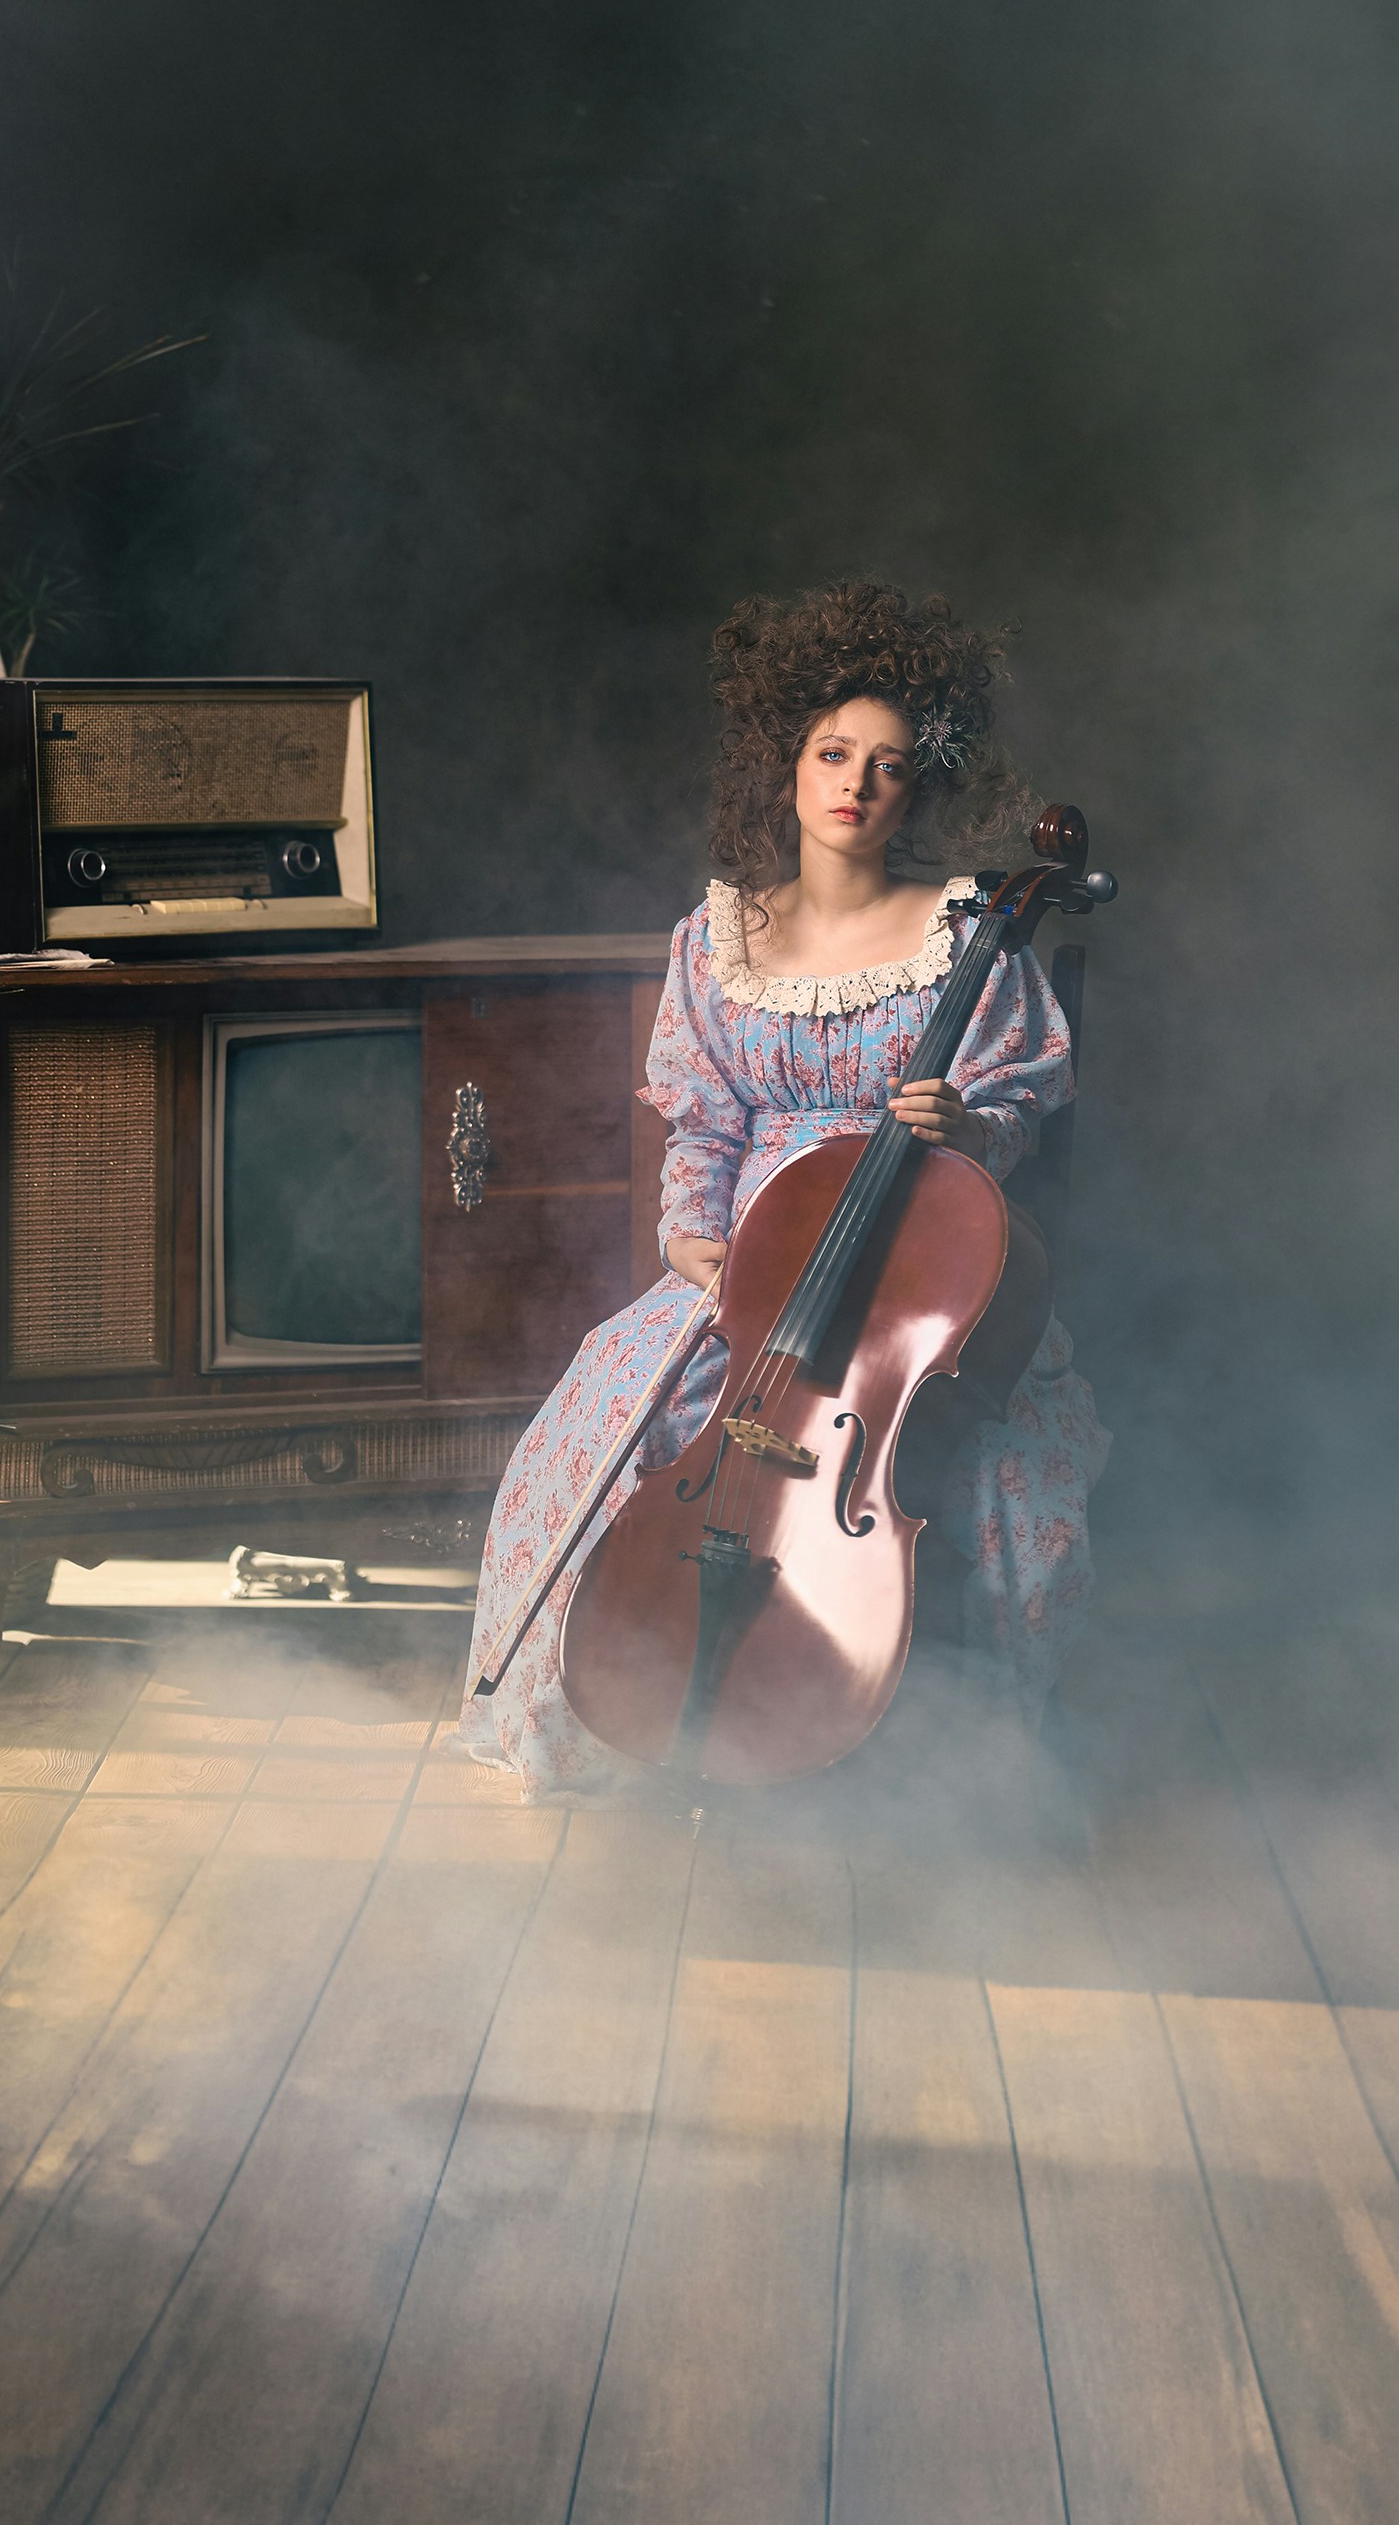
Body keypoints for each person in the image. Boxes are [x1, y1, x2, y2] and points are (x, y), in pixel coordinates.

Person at [458, 580, 1110, 1801]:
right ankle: (635, 1719)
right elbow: (703, 1117)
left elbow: (1016, 1100)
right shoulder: (714, 938)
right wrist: (696, 1240)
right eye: (831, 753)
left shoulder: (972, 932)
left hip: (917, 1286)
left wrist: (968, 1125)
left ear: (920, 790)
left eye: (889, 765)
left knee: (1008, 1491)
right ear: (788, 763)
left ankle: (948, 1767)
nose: (855, 783)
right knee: (606, 1434)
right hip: (755, 1277)